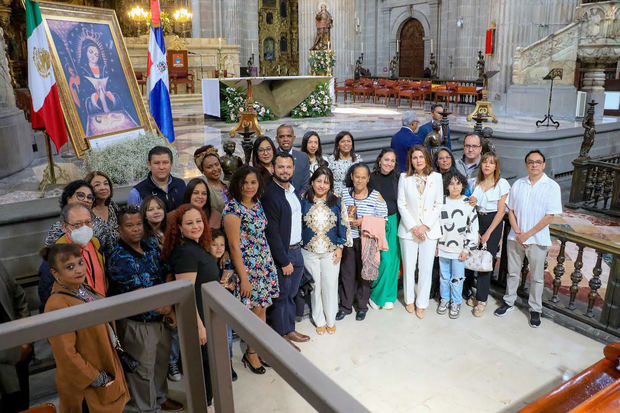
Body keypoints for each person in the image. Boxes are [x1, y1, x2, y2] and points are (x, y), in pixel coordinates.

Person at [106, 206, 183, 412]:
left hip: (161, 320)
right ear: (120, 229)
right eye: (129, 225)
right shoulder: (119, 257)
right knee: (142, 371)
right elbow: (139, 295)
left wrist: (169, 307)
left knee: (160, 364)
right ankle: (146, 408)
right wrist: (168, 309)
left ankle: (160, 399)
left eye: (138, 224)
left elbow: (166, 271)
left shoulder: (150, 246)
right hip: (138, 323)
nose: (135, 229)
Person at [42, 243, 129, 413]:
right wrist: (98, 378)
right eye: (70, 267)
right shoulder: (57, 305)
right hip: (87, 387)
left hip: (105, 369)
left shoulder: (83, 289)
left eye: (80, 263)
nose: (78, 270)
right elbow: (66, 355)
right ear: (55, 273)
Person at [494, 150, 563, 328]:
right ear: (526, 165)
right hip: (515, 237)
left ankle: (535, 309)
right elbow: (511, 211)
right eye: (531, 162)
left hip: (537, 239)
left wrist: (528, 234)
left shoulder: (552, 186)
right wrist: (518, 232)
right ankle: (509, 302)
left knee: (537, 277)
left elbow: (549, 216)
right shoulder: (518, 184)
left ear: (544, 165)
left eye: (538, 162)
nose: (534, 165)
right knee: (513, 272)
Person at [162, 204, 221, 406]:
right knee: (202, 370)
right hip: (199, 319)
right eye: (189, 223)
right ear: (179, 227)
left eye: (198, 221)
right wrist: (200, 326)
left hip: (208, 314)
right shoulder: (185, 252)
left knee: (208, 367)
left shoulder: (196, 246)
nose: (195, 226)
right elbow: (187, 293)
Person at [223, 166, 279, 374]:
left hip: (263, 264)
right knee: (255, 312)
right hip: (248, 268)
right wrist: (244, 278)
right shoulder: (233, 209)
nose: (249, 186)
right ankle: (252, 352)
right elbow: (234, 246)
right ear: (237, 184)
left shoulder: (257, 204)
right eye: (244, 182)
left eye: (253, 182)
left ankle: (259, 348)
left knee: (262, 309)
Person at [261, 153, 308, 349]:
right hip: (284, 254)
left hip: (297, 249)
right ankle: (280, 336)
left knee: (291, 293)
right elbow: (272, 232)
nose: (285, 171)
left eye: (288, 167)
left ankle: (289, 329)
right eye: (280, 167)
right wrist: (283, 260)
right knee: (281, 296)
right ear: (273, 168)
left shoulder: (293, 191)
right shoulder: (271, 194)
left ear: (293, 169)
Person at [301, 167, 349, 335]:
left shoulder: (337, 201)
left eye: (326, 182)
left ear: (331, 185)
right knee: (315, 287)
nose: (322, 185)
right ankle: (319, 319)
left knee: (330, 285)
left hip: (331, 252)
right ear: (312, 182)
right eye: (319, 181)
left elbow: (343, 225)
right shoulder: (303, 201)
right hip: (309, 252)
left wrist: (340, 247)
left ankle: (331, 319)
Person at [336, 163, 388, 321]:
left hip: (367, 241)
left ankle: (362, 306)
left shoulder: (376, 196)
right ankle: (345, 306)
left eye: (363, 177)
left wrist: (364, 221)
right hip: (348, 240)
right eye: (356, 176)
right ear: (351, 177)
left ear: (368, 178)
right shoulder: (343, 193)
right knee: (347, 274)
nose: (359, 180)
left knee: (365, 274)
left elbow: (384, 220)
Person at [397, 145, 443, 319]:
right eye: (415, 158)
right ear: (411, 160)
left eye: (421, 157)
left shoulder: (436, 177)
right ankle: (409, 299)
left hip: (429, 231)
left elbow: (438, 204)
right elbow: (402, 204)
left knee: (425, 268)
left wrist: (425, 226)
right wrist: (414, 227)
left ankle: (421, 303)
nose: (418, 161)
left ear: (426, 159)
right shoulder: (404, 177)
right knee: (409, 267)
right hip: (409, 231)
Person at [39, 203, 107, 309]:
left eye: (88, 222)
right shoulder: (55, 257)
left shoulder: (95, 244)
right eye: (77, 225)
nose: (84, 228)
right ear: (65, 227)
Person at [466, 152, 510, 316]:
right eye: (484, 162)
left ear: (495, 166)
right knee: (470, 255)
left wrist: (488, 233)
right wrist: (475, 230)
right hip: (476, 220)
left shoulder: (502, 184)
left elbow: (501, 212)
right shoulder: (474, 182)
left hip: (493, 223)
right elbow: (470, 206)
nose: (487, 165)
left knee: (486, 260)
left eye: (491, 163)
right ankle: (471, 292)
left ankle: (482, 299)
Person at [436, 171, 478, 319]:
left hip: (459, 249)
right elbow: (436, 224)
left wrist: (467, 249)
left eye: (458, 183)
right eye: (451, 183)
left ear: (463, 185)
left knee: (458, 277)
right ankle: (445, 299)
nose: (455, 187)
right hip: (442, 247)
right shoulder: (441, 201)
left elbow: (473, 228)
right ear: (446, 186)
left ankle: (456, 301)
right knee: (444, 276)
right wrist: (435, 245)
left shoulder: (468, 203)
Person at [44, 179, 115, 256]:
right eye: (81, 195)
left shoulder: (101, 225)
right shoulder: (58, 228)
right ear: (68, 198)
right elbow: (50, 258)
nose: (86, 200)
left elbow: (109, 254)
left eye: (90, 197)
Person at [368, 149, 401, 310]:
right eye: (386, 159)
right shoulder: (371, 178)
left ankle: (390, 295)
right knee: (382, 260)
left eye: (392, 161)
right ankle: (376, 295)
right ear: (380, 160)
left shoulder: (399, 178)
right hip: (377, 222)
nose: (389, 163)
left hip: (395, 221)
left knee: (394, 260)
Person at [0, 263, 32, 413]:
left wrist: (25, 337)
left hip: (18, 352)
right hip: (4, 359)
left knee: (21, 405)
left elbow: (19, 296)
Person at [208, 229, 238, 382]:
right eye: (214, 245)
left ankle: (228, 362)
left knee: (227, 337)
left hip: (224, 306)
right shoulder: (205, 262)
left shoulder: (226, 261)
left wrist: (231, 284)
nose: (219, 248)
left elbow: (231, 283)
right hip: (208, 306)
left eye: (222, 245)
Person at [128, 146, 186, 212]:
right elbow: (134, 220)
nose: (161, 167)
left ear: (171, 164)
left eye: (165, 162)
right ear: (149, 165)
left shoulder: (181, 184)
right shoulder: (137, 193)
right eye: (156, 163)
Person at [194, 145, 230, 215]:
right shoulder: (205, 191)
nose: (215, 169)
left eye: (217, 164)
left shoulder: (229, 184)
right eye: (209, 167)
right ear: (202, 170)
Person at [275, 124, 310, 195]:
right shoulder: (272, 157)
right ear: (277, 139)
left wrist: (297, 198)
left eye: (289, 136)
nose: (285, 139)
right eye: (282, 137)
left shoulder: (303, 157)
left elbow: (306, 184)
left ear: (294, 138)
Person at [85, 170, 119, 242]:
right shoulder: (85, 212)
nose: (103, 188)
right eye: (97, 185)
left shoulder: (112, 206)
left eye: (106, 184)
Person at [327, 131, 363, 196]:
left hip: (354, 195)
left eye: (348, 141)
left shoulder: (358, 160)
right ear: (338, 145)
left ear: (352, 144)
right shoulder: (330, 160)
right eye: (343, 141)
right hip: (335, 196)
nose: (346, 144)